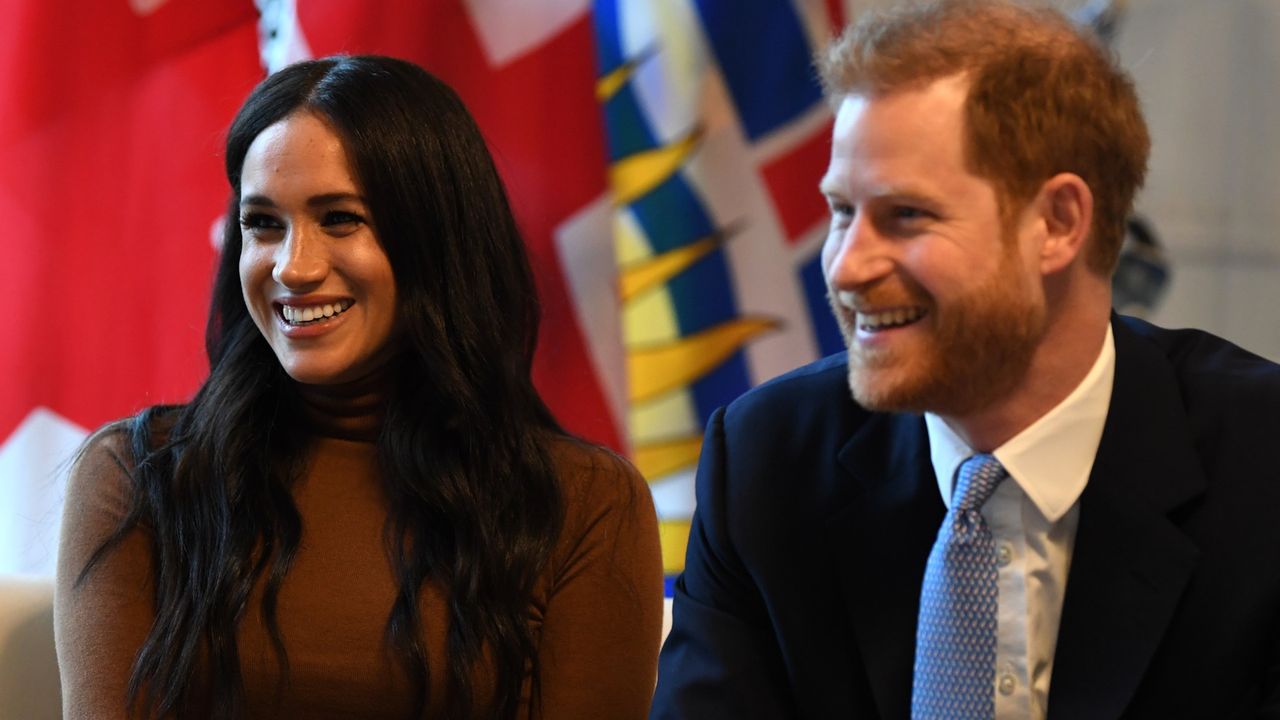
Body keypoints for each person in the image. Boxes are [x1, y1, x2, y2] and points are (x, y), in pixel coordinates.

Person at [651, 1, 1280, 718]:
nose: (847, 268)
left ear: (1058, 223)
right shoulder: (767, 463)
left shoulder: (1262, 466)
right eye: (841, 213)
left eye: (906, 216)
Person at [55, 55, 663, 720]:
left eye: (340, 218)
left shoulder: (583, 503)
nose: (293, 266)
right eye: (263, 223)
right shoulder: (139, 477)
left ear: (438, 240)